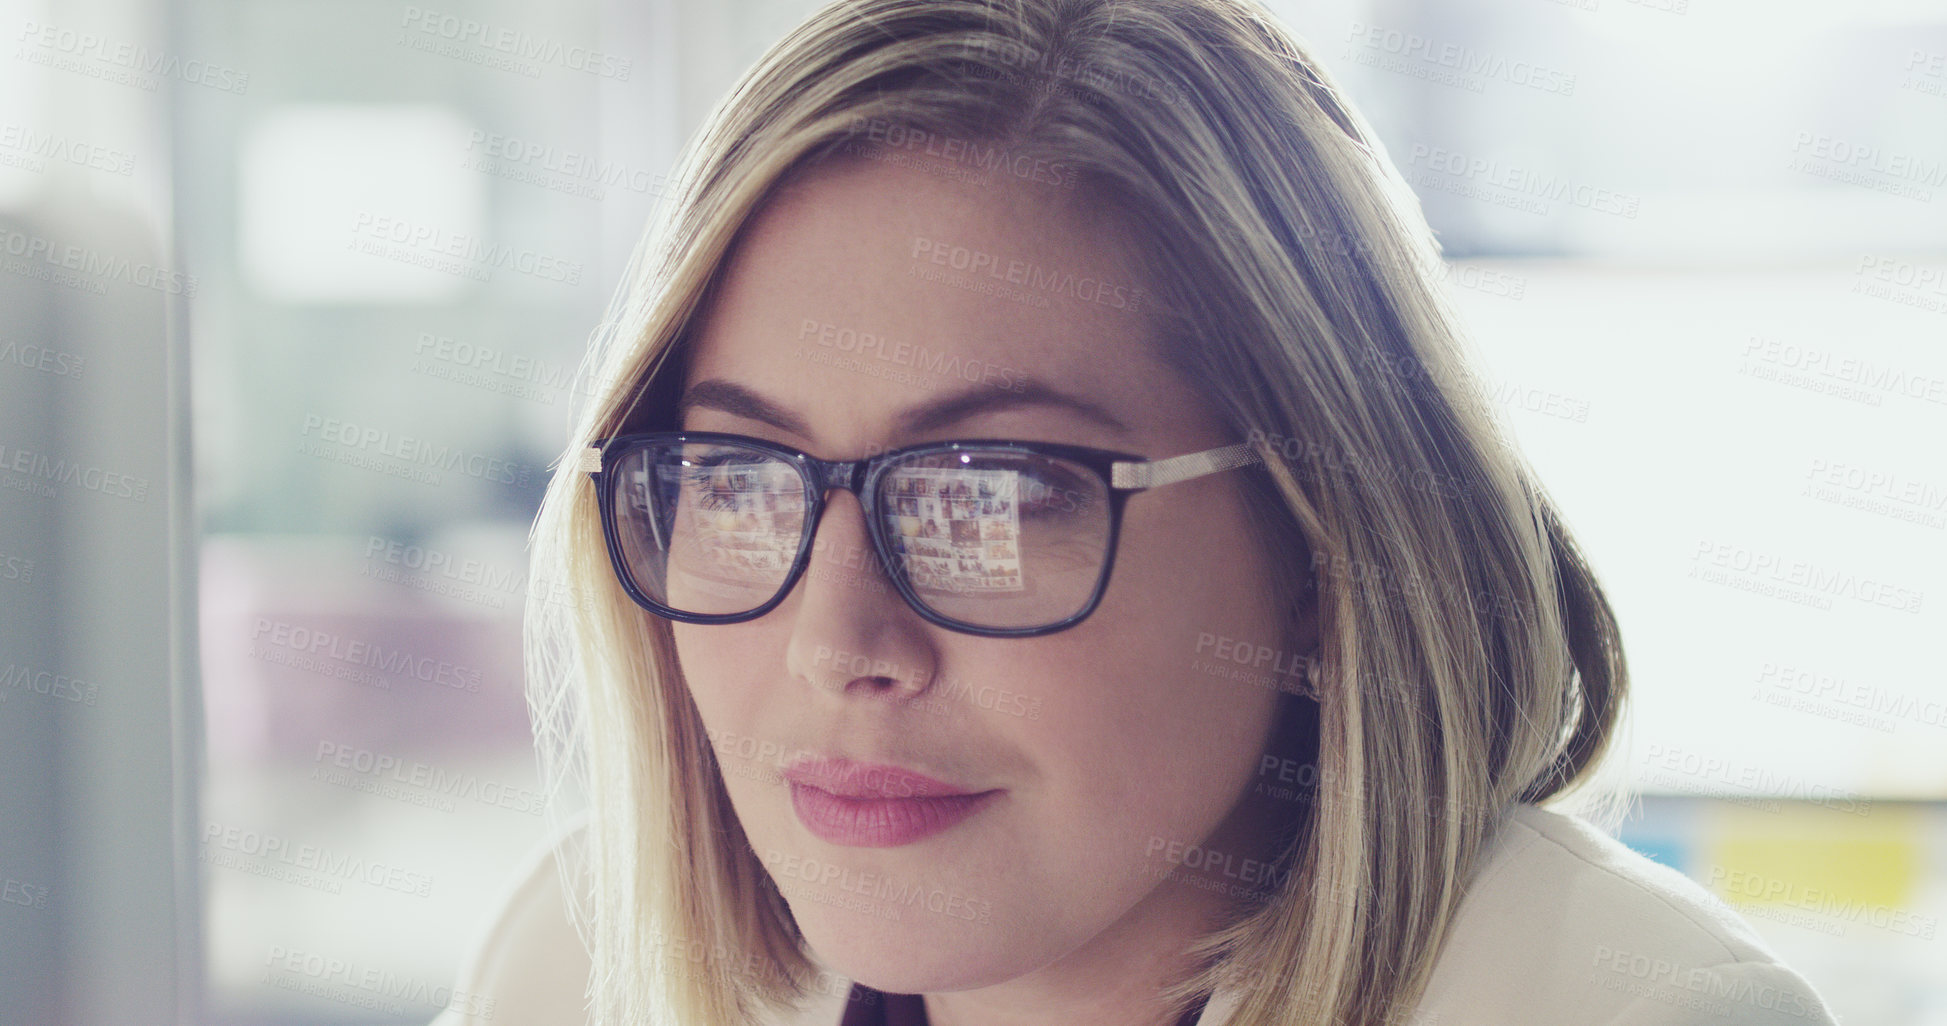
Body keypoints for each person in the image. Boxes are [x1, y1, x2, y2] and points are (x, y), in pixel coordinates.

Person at [432, 0, 1841, 1024]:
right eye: (739, 478)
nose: (838, 639)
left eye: (991, 492)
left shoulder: (1636, 1010)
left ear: (1317, 538)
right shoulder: (573, 964)